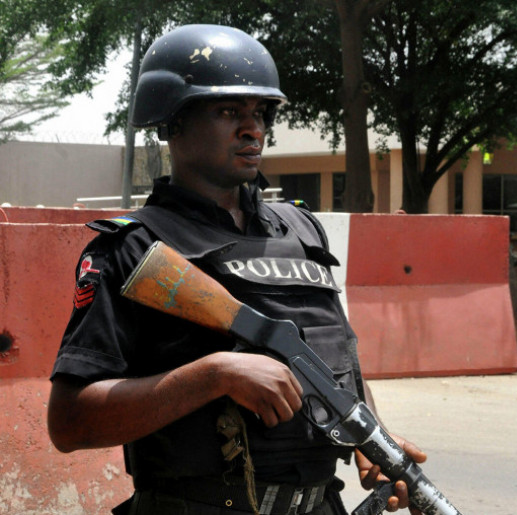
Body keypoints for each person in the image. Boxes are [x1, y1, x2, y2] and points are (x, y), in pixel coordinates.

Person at [47, 24, 425, 515]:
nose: (253, 129)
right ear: (172, 122)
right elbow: (69, 423)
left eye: (260, 112)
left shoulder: (302, 231)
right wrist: (214, 375)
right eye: (228, 112)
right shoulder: (134, 248)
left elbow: (333, 359)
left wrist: (370, 437)